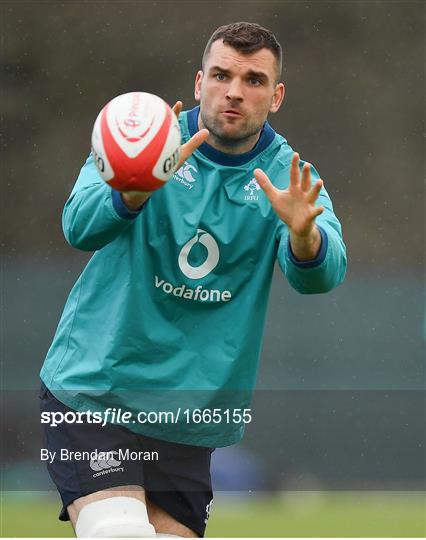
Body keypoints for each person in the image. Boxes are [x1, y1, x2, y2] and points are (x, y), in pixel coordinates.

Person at [39, 21, 347, 538]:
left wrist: (303, 235)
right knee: (119, 530)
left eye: (254, 80)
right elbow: (78, 225)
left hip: (187, 413)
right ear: (198, 81)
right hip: (96, 390)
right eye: (222, 75)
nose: (234, 91)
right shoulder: (140, 136)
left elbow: (322, 274)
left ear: (276, 97)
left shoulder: (290, 177)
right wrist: (132, 192)